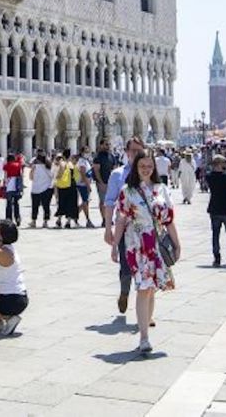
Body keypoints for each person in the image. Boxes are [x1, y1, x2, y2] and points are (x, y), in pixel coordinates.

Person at [111, 150, 180, 354]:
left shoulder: (161, 189)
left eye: (149, 166)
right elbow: (122, 219)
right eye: (142, 166)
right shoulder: (127, 191)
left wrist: (177, 244)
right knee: (143, 287)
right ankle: (144, 338)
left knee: (151, 289)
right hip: (137, 243)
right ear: (136, 167)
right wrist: (115, 245)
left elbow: (169, 220)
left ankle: (146, 325)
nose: (146, 169)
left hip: (156, 243)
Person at [104, 136, 146, 314]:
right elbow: (109, 202)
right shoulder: (118, 174)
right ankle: (124, 292)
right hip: (125, 228)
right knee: (126, 268)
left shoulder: (149, 173)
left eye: (139, 151)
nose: (136, 154)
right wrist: (108, 229)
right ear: (127, 152)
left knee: (147, 269)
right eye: (133, 151)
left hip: (146, 229)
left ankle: (146, 309)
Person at [205, 154, 226, 267]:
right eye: (224, 163)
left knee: (215, 234)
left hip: (214, 207)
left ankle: (217, 257)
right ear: (220, 164)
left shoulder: (209, 176)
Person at [54, 150, 80, 228]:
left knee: (62, 202)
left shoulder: (63, 163)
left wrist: (57, 177)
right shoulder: (72, 164)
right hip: (72, 185)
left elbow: (60, 172)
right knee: (70, 203)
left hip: (64, 185)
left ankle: (59, 220)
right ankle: (68, 221)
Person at [28, 151, 54, 228]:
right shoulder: (49, 167)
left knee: (35, 206)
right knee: (46, 206)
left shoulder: (35, 167)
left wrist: (32, 170)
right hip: (46, 189)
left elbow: (31, 178)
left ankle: (33, 221)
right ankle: (45, 222)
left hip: (35, 189)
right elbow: (52, 177)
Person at [92, 139, 115, 219]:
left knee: (111, 201)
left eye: (109, 144)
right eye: (106, 144)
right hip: (102, 182)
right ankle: (104, 218)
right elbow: (96, 170)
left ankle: (109, 217)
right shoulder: (98, 157)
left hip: (110, 182)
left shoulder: (111, 156)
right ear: (101, 145)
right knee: (103, 201)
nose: (108, 146)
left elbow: (114, 169)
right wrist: (101, 182)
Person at [2, 152, 23, 225]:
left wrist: (4, 185)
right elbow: (20, 175)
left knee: (8, 204)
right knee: (16, 203)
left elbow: (5, 176)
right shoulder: (18, 165)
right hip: (16, 186)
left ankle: (9, 219)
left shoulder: (6, 165)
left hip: (9, 186)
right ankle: (17, 218)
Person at [75, 151, 94, 227]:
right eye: (86, 151)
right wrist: (88, 185)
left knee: (86, 202)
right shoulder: (82, 161)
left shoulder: (86, 161)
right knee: (85, 202)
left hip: (85, 183)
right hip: (83, 184)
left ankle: (75, 215)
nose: (87, 153)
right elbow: (83, 174)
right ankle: (88, 219)